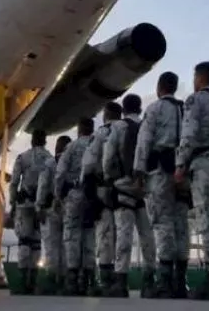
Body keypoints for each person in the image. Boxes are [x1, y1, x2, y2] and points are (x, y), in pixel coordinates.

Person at [176, 61, 209, 299]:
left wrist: (180, 165)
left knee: (206, 219)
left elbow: (189, 135)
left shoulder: (194, 101)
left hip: (204, 164)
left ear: (199, 78)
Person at [135, 71, 190, 298]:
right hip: (183, 172)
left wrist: (139, 170)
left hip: (160, 172)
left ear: (160, 87)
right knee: (181, 224)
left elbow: (144, 140)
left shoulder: (155, 109)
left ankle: (165, 282)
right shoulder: (185, 108)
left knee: (162, 223)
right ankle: (180, 281)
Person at [104, 93, 158, 298]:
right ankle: (149, 281)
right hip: (145, 188)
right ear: (140, 108)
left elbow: (108, 156)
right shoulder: (146, 125)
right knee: (147, 235)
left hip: (124, 186)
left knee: (124, 234)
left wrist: (109, 179)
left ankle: (120, 281)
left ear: (124, 110)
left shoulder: (117, 127)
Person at [85, 102, 122, 295]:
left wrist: (89, 192)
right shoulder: (128, 130)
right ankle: (120, 279)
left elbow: (89, 164)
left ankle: (106, 280)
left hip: (105, 188)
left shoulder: (101, 133)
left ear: (106, 115)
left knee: (105, 235)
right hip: (127, 188)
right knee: (123, 233)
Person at [56, 117, 96, 295]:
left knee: (72, 235)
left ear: (79, 130)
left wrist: (58, 194)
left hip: (74, 195)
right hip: (93, 196)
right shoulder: (97, 145)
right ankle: (87, 280)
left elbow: (60, 173)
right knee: (89, 235)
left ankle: (72, 280)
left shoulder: (71, 147)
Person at [9, 129, 53, 294]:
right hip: (41, 206)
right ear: (45, 141)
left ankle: (22, 282)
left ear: (32, 140)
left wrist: (13, 203)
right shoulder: (49, 159)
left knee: (24, 242)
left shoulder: (23, 157)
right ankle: (33, 282)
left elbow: (14, 182)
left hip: (24, 204)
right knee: (36, 243)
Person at [35, 135, 70, 295]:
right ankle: (65, 280)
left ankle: (51, 279)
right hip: (69, 208)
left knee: (51, 245)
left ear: (57, 147)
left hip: (51, 208)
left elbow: (42, 186)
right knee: (66, 245)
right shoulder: (72, 163)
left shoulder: (50, 163)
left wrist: (39, 206)